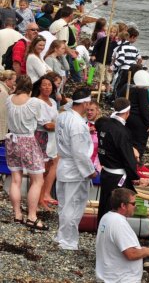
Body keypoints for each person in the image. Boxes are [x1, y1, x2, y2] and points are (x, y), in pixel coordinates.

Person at [55, 87, 97, 250]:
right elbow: (79, 152)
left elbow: (66, 106)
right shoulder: (78, 124)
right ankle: (68, 241)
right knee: (73, 205)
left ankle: (62, 236)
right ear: (85, 104)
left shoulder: (63, 116)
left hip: (64, 164)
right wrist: (89, 170)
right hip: (74, 168)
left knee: (64, 204)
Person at [5, 75, 48, 230]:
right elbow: (43, 121)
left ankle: (17, 214)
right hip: (28, 141)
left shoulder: (9, 99)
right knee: (37, 180)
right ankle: (31, 216)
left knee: (16, 179)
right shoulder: (34, 102)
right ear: (30, 89)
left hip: (12, 140)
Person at [95, 97, 147, 223]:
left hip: (106, 172)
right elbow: (127, 157)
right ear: (128, 113)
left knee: (104, 204)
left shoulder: (104, 124)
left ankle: (101, 229)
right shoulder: (121, 131)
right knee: (116, 208)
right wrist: (136, 177)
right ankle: (112, 231)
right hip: (117, 177)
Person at [96, 188, 149, 282]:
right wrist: (147, 251)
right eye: (133, 203)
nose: (135, 206)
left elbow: (119, 246)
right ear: (123, 205)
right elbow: (131, 254)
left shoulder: (106, 217)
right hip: (120, 279)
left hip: (109, 277)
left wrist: (141, 250)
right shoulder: (119, 223)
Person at [31, 75, 58, 210]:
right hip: (41, 137)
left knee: (47, 170)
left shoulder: (52, 101)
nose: (47, 87)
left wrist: (56, 124)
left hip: (52, 139)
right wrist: (60, 125)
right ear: (39, 87)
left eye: (49, 85)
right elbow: (46, 125)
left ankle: (41, 199)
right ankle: (34, 202)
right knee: (38, 173)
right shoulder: (36, 102)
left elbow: (54, 122)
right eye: (44, 85)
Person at [119, 64, 149, 159]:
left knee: (128, 142)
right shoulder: (141, 89)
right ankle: (136, 162)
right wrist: (148, 123)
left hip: (125, 117)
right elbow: (144, 108)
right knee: (138, 145)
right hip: (138, 120)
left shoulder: (125, 87)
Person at [111, 27, 142, 98]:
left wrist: (112, 67)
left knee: (118, 86)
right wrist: (136, 67)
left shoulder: (121, 47)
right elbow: (140, 59)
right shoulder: (134, 48)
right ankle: (125, 98)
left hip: (124, 69)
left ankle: (114, 99)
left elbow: (119, 59)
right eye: (136, 38)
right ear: (131, 37)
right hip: (132, 70)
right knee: (128, 86)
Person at [91, 24, 118, 91]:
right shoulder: (103, 40)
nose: (112, 33)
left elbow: (116, 54)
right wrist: (93, 55)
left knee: (108, 78)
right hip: (100, 60)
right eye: (110, 31)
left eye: (114, 32)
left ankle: (107, 92)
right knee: (100, 77)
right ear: (107, 32)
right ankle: (99, 90)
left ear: (116, 34)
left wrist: (114, 62)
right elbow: (96, 47)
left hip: (109, 63)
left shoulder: (115, 43)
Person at [0, 70, 16, 141]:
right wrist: (2, 135)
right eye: (13, 81)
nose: (14, 83)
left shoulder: (3, 90)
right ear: (7, 80)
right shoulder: (3, 92)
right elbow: (2, 115)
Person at [86, 100, 101, 172]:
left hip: (97, 166)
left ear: (97, 111)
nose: (89, 112)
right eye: (87, 110)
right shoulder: (82, 124)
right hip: (84, 164)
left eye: (92, 110)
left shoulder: (103, 126)